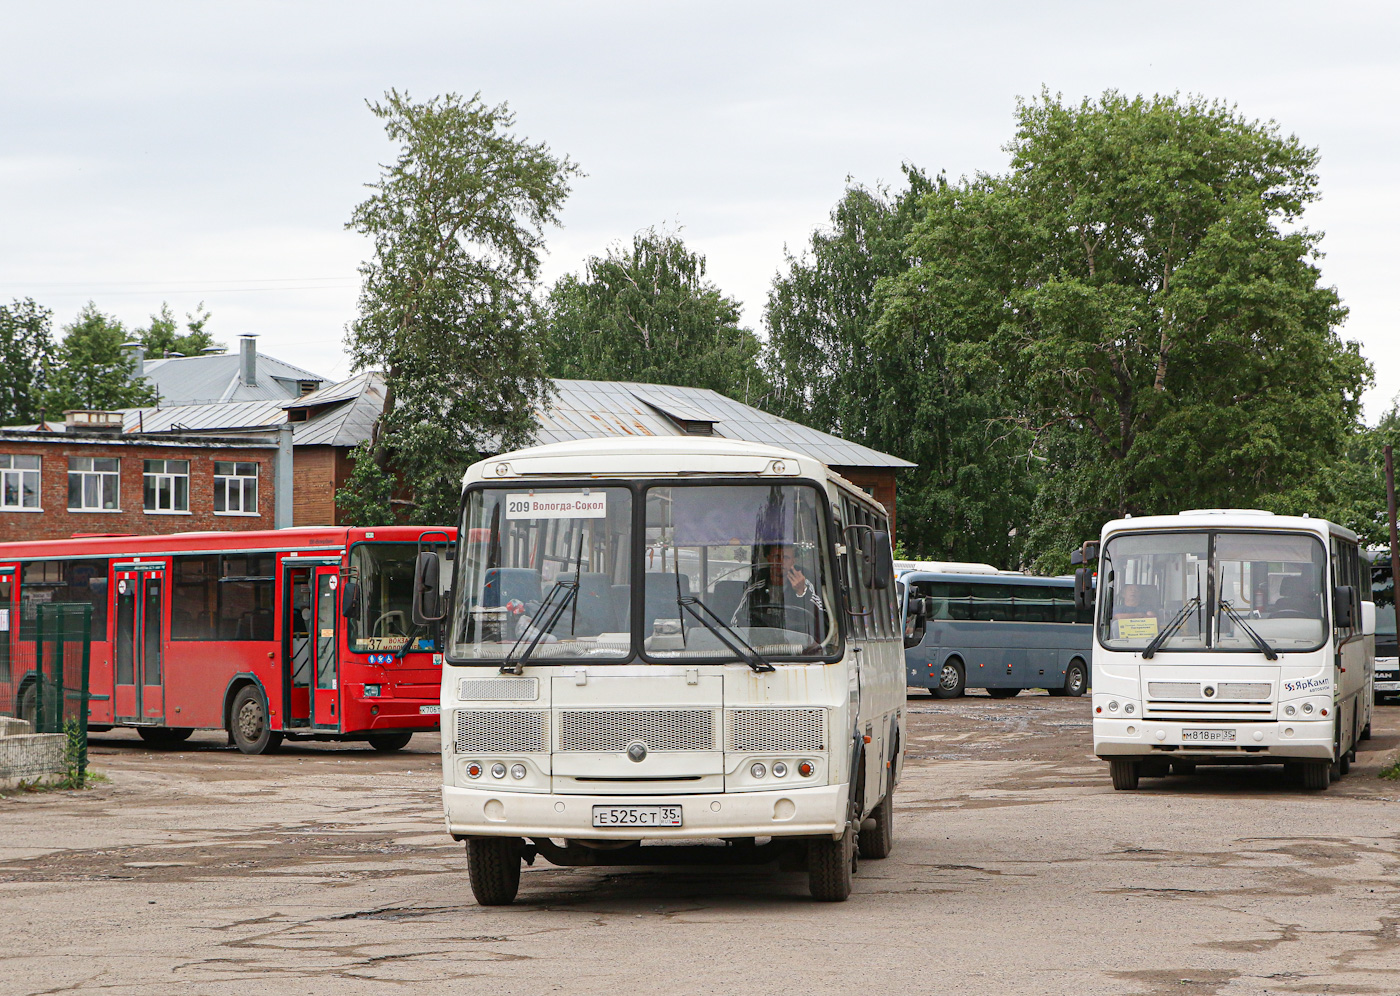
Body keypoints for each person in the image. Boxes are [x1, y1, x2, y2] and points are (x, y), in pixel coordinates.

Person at [731, 543, 825, 635]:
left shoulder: (805, 583)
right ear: (769, 558)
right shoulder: (755, 585)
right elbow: (737, 620)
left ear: (793, 561)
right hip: (761, 643)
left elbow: (822, 622)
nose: (781, 562)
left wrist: (801, 592)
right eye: (776, 557)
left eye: (786, 558)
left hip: (799, 643)